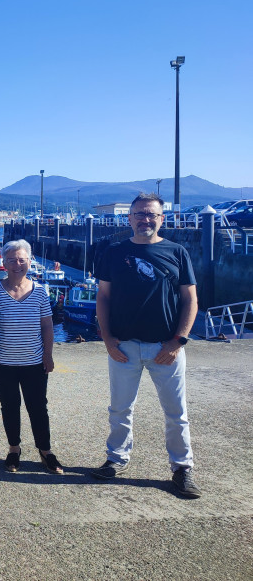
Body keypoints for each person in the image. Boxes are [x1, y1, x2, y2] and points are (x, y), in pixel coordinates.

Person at [92, 193, 201, 498]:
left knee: (176, 412)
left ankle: (182, 468)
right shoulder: (114, 252)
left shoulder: (176, 252)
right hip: (123, 347)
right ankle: (116, 459)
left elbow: (190, 299)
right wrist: (107, 337)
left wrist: (178, 341)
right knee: (120, 408)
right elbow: (103, 296)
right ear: (129, 218)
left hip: (166, 347)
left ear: (161, 219)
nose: (145, 219)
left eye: (151, 214)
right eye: (139, 214)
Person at [0, 239, 62, 474]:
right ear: (4, 263)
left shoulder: (39, 291)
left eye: (22, 259)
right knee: (9, 406)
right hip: (2, 363)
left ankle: (46, 451)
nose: (17, 264)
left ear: (30, 261)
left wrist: (48, 356)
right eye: (12, 260)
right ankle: (14, 449)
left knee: (38, 406)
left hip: (34, 362)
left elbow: (47, 326)